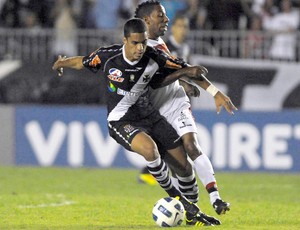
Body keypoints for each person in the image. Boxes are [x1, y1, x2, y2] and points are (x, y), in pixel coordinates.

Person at [52, 18, 218, 226]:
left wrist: (209, 88)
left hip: (149, 116)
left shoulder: (154, 57)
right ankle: (182, 201)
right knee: (150, 151)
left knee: (184, 167)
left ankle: (193, 214)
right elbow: (81, 61)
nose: (140, 48)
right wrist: (61, 63)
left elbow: (184, 68)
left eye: (144, 42)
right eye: (135, 43)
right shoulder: (108, 56)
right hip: (121, 120)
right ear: (125, 41)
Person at [134, 0, 237, 216]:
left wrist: (215, 93)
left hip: (176, 103)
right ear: (146, 21)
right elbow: (155, 81)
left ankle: (216, 198)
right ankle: (187, 207)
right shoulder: (139, 51)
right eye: (161, 16)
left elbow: (184, 69)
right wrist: (182, 77)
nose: (167, 20)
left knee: (192, 145)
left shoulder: (161, 43)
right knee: (180, 166)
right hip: (156, 111)